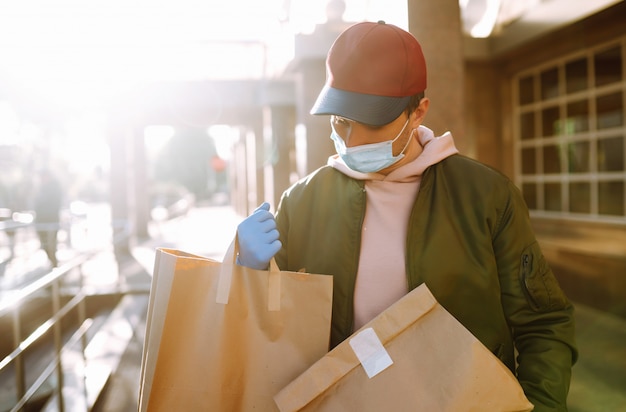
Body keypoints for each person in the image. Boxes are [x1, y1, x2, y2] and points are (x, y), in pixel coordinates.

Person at [237, 21, 577, 411]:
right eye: (341, 120)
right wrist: (247, 271)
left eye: (373, 121)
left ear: (418, 112)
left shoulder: (486, 197)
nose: (353, 140)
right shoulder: (302, 202)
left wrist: (542, 406)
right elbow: (269, 333)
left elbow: (544, 323)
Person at [34, 169, 64, 267]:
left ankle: (55, 267)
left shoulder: (54, 188)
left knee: (51, 246)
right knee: (45, 245)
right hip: (41, 222)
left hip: (50, 222)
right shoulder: (42, 188)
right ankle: (53, 266)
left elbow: (53, 206)